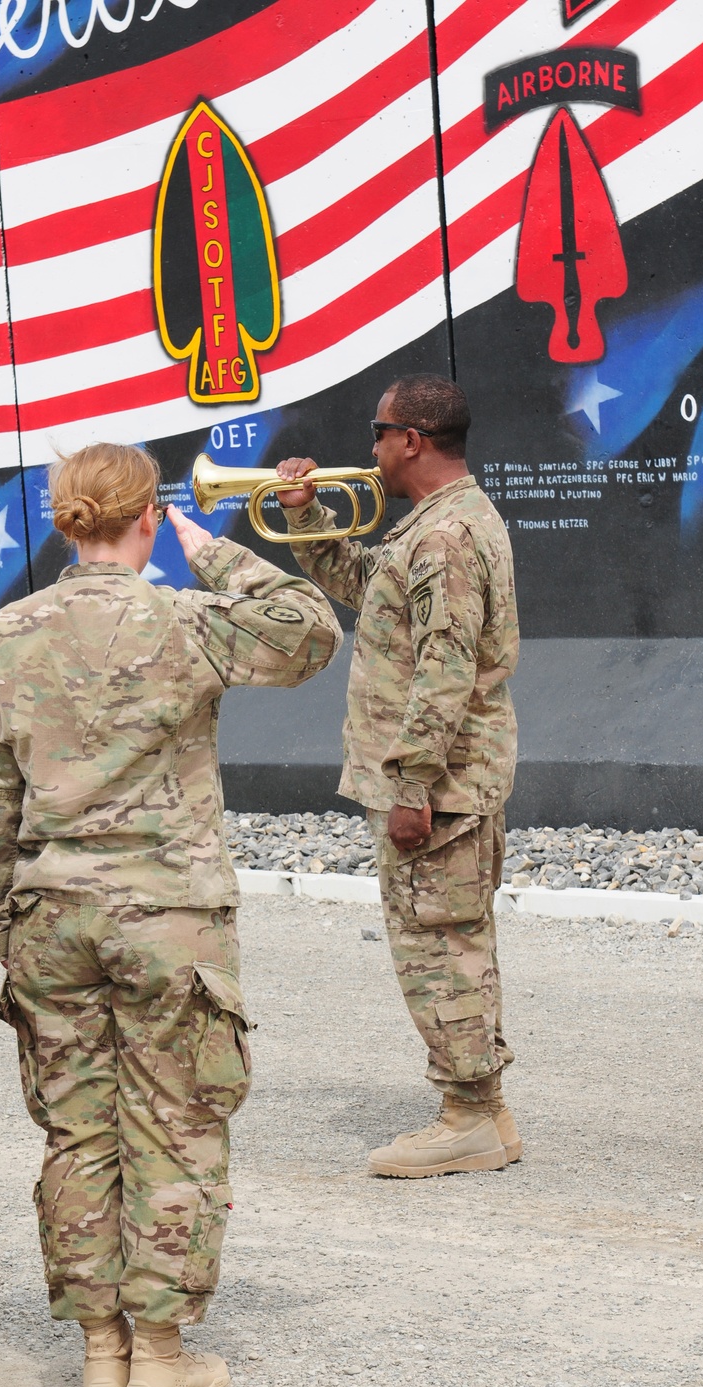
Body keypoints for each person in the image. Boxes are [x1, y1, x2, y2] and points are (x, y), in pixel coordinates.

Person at [0, 442, 341, 1387]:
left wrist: (1, 920)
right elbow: (311, 628)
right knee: (175, 1129)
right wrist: (211, 550)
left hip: (52, 919)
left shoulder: (5, 634)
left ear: (63, 518)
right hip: (170, 920)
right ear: (147, 516)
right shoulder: (185, 620)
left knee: (79, 1134)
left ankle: (99, 1354)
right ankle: (159, 1358)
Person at [274, 373, 520, 1178]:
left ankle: (469, 1115)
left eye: (378, 433)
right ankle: (478, 1105)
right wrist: (305, 517)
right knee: (451, 940)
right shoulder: (437, 526)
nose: (371, 448)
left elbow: (444, 672)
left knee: (436, 947)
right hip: (448, 780)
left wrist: (411, 785)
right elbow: (359, 586)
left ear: (411, 439)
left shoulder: (446, 538)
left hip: (440, 788)